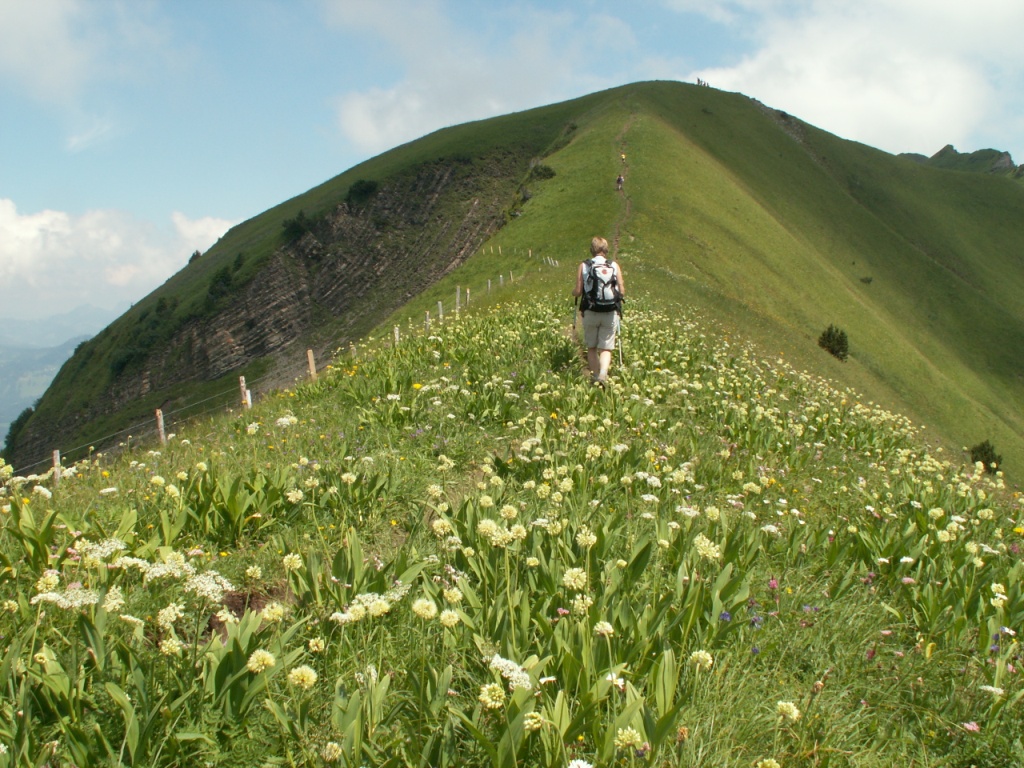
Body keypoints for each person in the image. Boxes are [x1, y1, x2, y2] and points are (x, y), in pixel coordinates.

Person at [573, 236, 625, 386]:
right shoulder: (614, 265)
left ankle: (595, 377)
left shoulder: (584, 266)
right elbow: (622, 291)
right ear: (606, 249)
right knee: (606, 348)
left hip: (590, 310)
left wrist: (573, 293)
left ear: (592, 249)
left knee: (592, 347)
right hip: (609, 311)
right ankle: (603, 374)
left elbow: (578, 291)